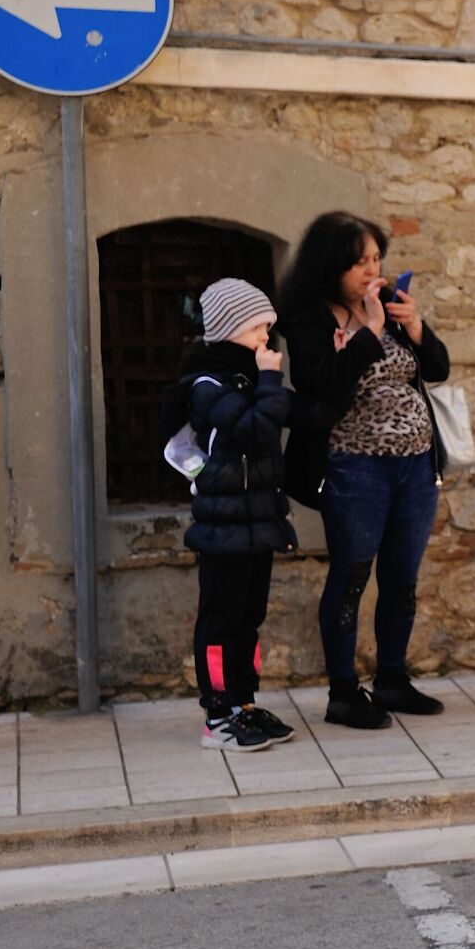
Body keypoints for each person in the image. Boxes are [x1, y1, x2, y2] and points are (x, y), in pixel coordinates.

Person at [280, 213, 452, 730]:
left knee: (401, 578)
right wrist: (368, 334)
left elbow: (438, 369)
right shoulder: (310, 318)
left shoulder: (389, 311)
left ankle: (393, 679)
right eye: (360, 262)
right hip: (353, 468)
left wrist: (414, 326)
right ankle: (343, 692)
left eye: (376, 259)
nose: (371, 270)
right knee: (352, 576)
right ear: (332, 265)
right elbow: (325, 383)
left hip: (416, 468)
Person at [164, 278, 298, 752]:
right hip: (222, 526)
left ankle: (243, 702)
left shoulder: (245, 379)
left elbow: (285, 418)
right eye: (258, 328)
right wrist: (269, 380)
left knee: (249, 617)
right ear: (229, 328)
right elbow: (256, 431)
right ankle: (217, 714)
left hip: (257, 522)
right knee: (220, 622)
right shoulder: (206, 385)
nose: (266, 338)